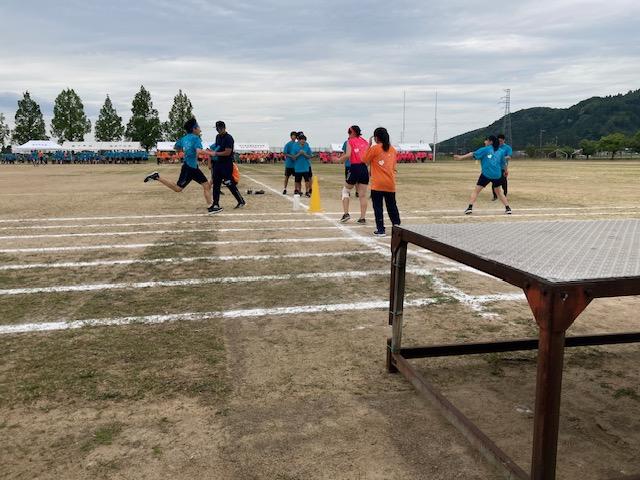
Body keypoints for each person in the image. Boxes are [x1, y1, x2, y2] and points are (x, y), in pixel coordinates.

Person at [144, 118, 213, 209]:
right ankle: (157, 177)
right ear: (194, 128)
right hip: (190, 168)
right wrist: (212, 153)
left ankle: (211, 206)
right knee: (180, 188)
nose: (200, 129)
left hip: (191, 167)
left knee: (204, 186)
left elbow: (176, 147)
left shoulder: (184, 138)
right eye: (199, 127)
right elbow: (199, 151)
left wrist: (185, 151)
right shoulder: (196, 138)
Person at [454, 135, 511, 215]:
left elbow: (472, 154)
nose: (485, 142)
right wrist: (506, 171)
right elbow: (503, 163)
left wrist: (461, 157)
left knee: (476, 191)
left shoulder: (485, 149)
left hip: (486, 174)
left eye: (486, 140)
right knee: (499, 192)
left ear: (490, 142)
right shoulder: (501, 151)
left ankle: (470, 208)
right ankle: (508, 208)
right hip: (497, 175)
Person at [364, 127, 400, 236]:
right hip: (390, 183)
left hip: (378, 184)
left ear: (376, 138)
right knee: (392, 207)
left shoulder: (374, 148)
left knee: (378, 207)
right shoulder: (392, 149)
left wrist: (369, 145)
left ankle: (381, 230)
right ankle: (397, 227)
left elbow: (364, 160)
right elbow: (393, 166)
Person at [208, 120, 245, 214]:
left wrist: (215, 153)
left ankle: (241, 201)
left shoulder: (229, 138)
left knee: (229, 183)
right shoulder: (217, 137)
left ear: (223, 128)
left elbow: (228, 152)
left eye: (219, 128)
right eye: (217, 128)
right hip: (218, 164)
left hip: (226, 164)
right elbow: (218, 147)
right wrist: (211, 153)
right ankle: (216, 204)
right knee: (216, 184)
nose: (217, 130)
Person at [336, 125, 369, 223]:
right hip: (364, 168)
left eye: (349, 133)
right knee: (362, 195)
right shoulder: (365, 141)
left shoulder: (350, 141)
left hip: (354, 167)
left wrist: (338, 160)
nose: (348, 135)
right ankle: (362, 218)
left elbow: (347, 155)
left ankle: (346, 214)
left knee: (345, 191)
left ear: (353, 132)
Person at [492, 133, 513, 200]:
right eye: (498, 141)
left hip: (503, 167)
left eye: (501, 141)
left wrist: (501, 158)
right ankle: (495, 196)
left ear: (504, 140)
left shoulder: (507, 148)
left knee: (503, 181)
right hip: (495, 167)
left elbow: (509, 157)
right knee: (494, 181)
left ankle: (505, 195)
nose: (499, 142)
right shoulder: (494, 147)